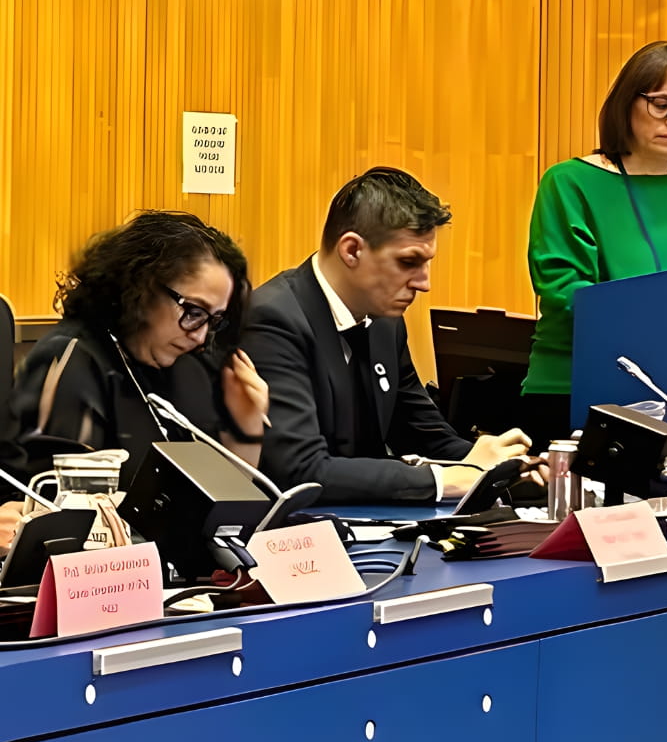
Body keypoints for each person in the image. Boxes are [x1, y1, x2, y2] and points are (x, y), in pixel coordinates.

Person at [240, 166, 534, 504]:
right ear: (352, 250)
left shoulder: (385, 322)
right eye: (409, 262)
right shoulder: (272, 319)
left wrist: (502, 468)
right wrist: (442, 482)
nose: (424, 283)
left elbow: (425, 435)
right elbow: (301, 470)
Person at [521, 41, 667, 449]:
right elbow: (567, 295)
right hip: (577, 388)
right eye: (661, 104)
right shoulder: (570, 182)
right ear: (627, 104)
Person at [9, 211, 269, 488]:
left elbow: (220, 506)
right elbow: (63, 505)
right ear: (142, 287)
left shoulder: (188, 370)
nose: (201, 336)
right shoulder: (73, 360)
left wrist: (246, 430)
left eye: (214, 320)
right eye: (193, 312)